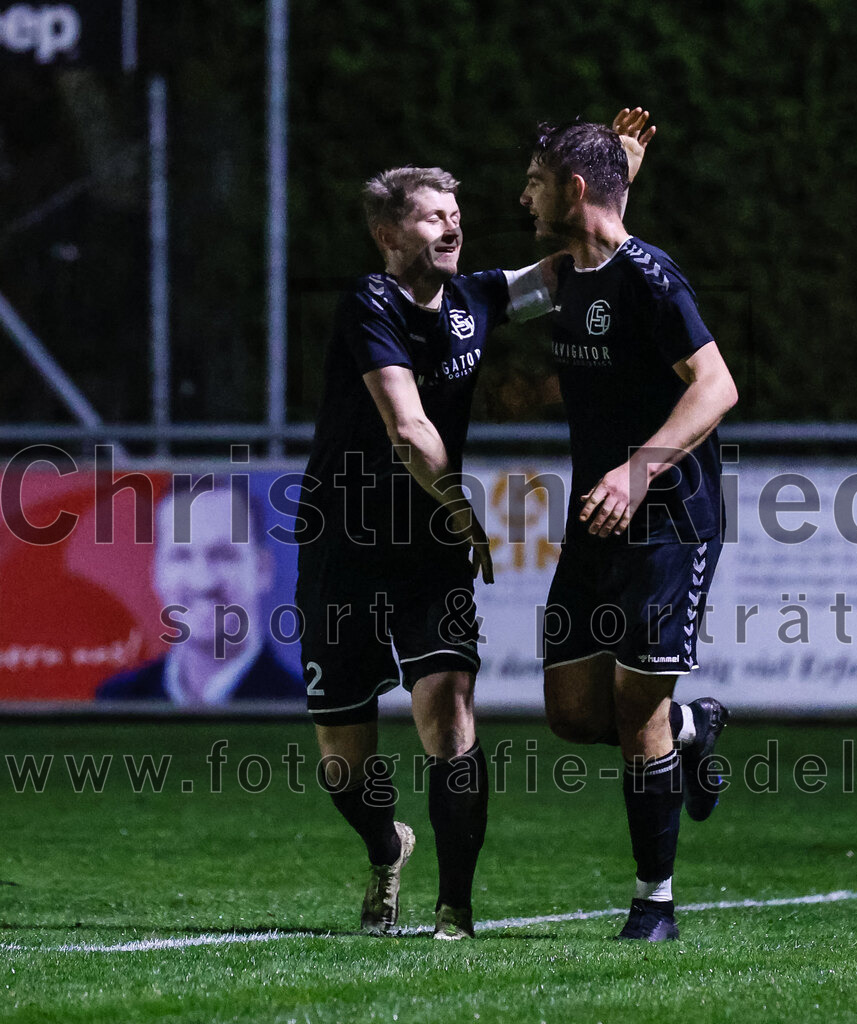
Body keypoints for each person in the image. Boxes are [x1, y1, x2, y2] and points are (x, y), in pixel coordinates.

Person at [293, 110, 662, 940]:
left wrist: (618, 179)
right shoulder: (369, 305)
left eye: (456, 214)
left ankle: (454, 911)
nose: (453, 225)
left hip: (430, 554)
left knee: (451, 715)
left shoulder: (476, 298)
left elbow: (577, 258)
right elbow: (409, 427)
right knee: (344, 767)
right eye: (433, 216)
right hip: (343, 549)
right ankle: (386, 844)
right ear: (389, 234)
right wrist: (458, 501)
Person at [519, 116, 738, 941]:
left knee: (636, 708)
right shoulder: (565, 273)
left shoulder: (652, 278)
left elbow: (716, 387)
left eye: (536, 181)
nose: (523, 196)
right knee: (574, 713)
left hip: (668, 518)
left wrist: (637, 470)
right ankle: (693, 727)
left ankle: (655, 905)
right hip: (595, 515)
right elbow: (571, 256)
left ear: (571, 189)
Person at [96, 485, 304, 705]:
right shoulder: (116, 701)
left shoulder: (301, 707)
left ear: (262, 569)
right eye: (181, 556)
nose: (202, 581)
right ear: (156, 570)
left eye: (223, 555)